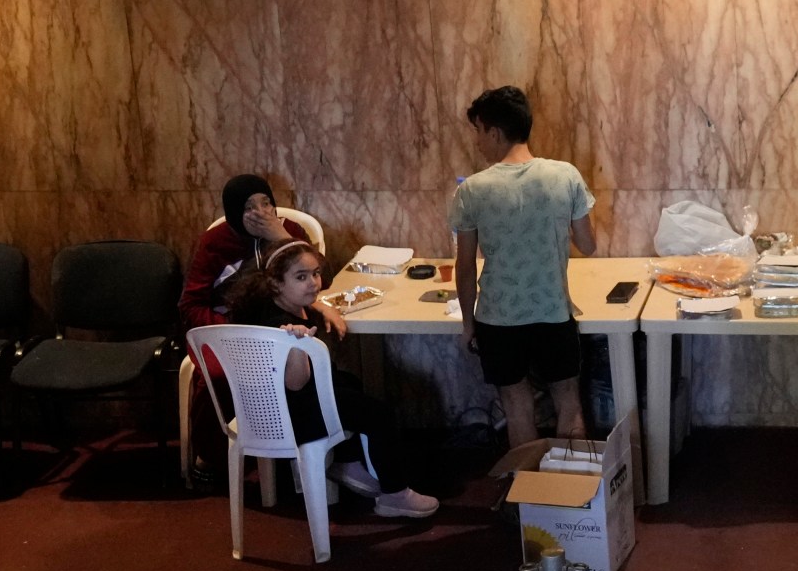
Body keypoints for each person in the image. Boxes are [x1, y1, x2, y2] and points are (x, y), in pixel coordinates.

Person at [221, 240, 437, 518]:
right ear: (275, 283)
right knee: (380, 415)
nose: (313, 283)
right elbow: (296, 383)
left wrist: (321, 306)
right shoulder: (280, 327)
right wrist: (296, 345)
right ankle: (395, 495)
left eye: (315, 273)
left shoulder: (282, 301)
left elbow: (312, 302)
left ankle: (345, 461)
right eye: (301, 277)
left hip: (281, 405)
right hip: (290, 418)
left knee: (347, 381)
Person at [449, 86, 595, 445]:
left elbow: (465, 266)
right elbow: (589, 246)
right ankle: (571, 491)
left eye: (479, 132)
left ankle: (529, 494)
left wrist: (468, 324)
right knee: (568, 403)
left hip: (498, 320)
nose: (479, 142)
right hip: (553, 313)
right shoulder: (566, 176)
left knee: (517, 407)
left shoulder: (472, 190)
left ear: (494, 132)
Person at [182, 174, 320, 330]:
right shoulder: (213, 242)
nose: (261, 213)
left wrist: (283, 239)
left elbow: (325, 279)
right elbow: (190, 306)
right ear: (235, 212)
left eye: (266, 203)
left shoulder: (289, 229)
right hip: (231, 331)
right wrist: (234, 329)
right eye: (249, 208)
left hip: (286, 325)